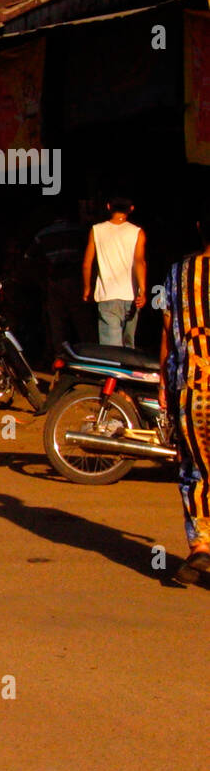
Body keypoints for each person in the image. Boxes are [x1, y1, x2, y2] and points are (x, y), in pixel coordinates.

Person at [163, 203, 210, 584]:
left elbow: (168, 331)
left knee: (196, 468)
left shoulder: (178, 273)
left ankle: (201, 548)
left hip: (190, 386)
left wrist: (165, 382)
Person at [83, 196, 147, 349]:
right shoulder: (137, 232)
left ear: (108, 206)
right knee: (128, 347)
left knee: (111, 350)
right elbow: (140, 262)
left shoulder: (96, 230)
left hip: (108, 296)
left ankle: (112, 373)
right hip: (131, 296)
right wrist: (143, 291)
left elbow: (87, 263)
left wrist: (87, 288)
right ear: (131, 209)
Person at [32, 211, 91, 356]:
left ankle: (60, 356)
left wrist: (43, 277)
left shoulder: (43, 234)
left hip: (54, 279)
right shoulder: (79, 230)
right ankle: (89, 354)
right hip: (75, 279)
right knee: (82, 320)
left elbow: (30, 257)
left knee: (57, 322)